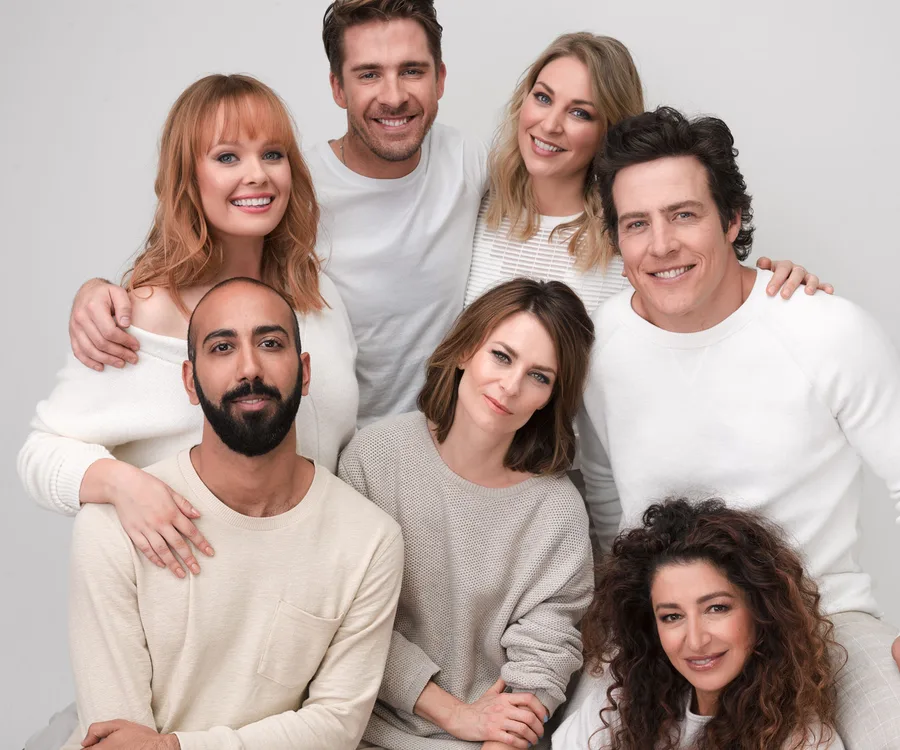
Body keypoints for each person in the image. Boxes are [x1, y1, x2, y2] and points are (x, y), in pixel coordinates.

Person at [65, 7, 819, 428]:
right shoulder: (293, 184)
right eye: (369, 74)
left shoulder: (477, 175)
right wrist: (108, 290)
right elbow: (211, 241)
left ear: (440, 79)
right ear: (337, 87)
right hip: (326, 449)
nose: (393, 95)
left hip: (498, 459)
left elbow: (674, 262)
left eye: (412, 71)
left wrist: (761, 276)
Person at [19, 74, 358, 749]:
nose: (256, 175)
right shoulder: (141, 312)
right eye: (228, 156)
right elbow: (39, 452)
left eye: (272, 154)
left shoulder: (316, 296)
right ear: (188, 177)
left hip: (296, 621)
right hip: (190, 635)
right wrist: (123, 485)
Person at [577, 106, 900, 746]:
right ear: (616, 239)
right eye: (637, 223)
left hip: (825, 619)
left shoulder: (826, 331)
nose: (661, 245)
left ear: (732, 219)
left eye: (683, 215)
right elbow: (607, 509)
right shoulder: (601, 348)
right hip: (672, 633)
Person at [60, 277, 403, 750]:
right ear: (190, 380)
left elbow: (335, 727)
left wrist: (174, 747)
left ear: (305, 372)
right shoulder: (111, 527)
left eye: (270, 343)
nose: (249, 368)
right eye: (222, 347)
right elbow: (116, 739)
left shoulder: (369, 540)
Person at [338, 278, 595, 750]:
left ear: (550, 399)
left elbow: (544, 658)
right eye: (502, 356)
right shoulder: (374, 458)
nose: (510, 386)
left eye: (539, 377)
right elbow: (349, 619)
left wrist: (495, 738)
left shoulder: (558, 513)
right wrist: (456, 715)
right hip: (355, 726)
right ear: (464, 352)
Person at [464, 32, 832, 315]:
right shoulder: (471, 204)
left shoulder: (634, 237)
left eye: (580, 113)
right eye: (543, 97)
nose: (550, 125)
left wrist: (778, 288)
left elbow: (713, 299)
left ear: (609, 130)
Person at [553, 498, 844, 749]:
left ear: (761, 611)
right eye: (672, 616)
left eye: (717, 608)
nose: (695, 640)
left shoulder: (802, 741)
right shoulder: (622, 703)